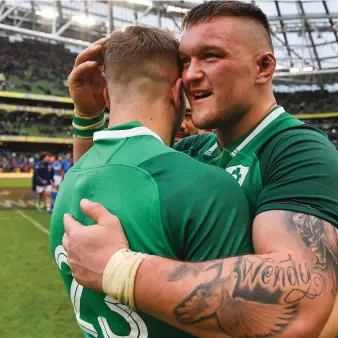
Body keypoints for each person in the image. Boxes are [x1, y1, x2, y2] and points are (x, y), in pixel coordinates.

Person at [63, 2, 338, 337]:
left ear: (263, 67)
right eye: (185, 61)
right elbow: (110, 187)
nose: (190, 74)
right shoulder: (194, 150)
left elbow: (293, 311)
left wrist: (119, 269)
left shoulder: (300, 152)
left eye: (211, 56)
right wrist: (87, 117)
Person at [50, 25, 253, 338]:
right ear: (176, 92)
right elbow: (245, 324)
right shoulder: (207, 188)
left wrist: (84, 116)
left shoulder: (71, 182)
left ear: (106, 95)